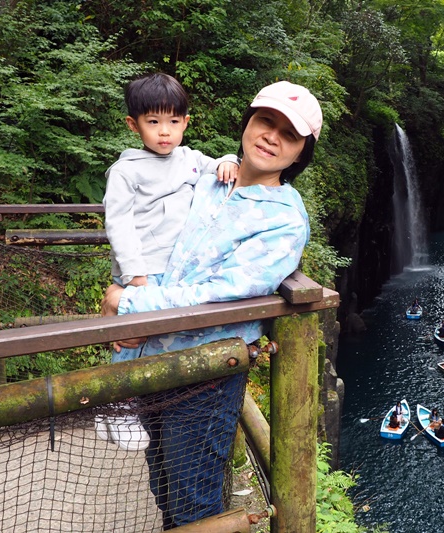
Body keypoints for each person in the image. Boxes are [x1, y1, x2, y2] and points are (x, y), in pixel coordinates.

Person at [100, 80, 322, 529]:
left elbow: (221, 292)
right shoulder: (205, 176)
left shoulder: (283, 218)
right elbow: (142, 218)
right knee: (163, 483)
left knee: (192, 502)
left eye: (289, 134)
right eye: (265, 120)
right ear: (247, 123)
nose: (271, 136)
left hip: (205, 374)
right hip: (154, 357)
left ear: (301, 152)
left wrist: (132, 303)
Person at [97, 73, 241, 451]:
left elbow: (219, 165)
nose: (165, 132)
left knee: (161, 336)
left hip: (179, 269)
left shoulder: (190, 159)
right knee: (131, 336)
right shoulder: (126, 170)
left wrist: (228, 160)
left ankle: (151, 400)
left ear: (185, 122)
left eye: (174, 122)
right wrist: (135, 277)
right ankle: (116, 407)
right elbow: (119, 224)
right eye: (154, 122)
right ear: (134, 124)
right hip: (141, 269)